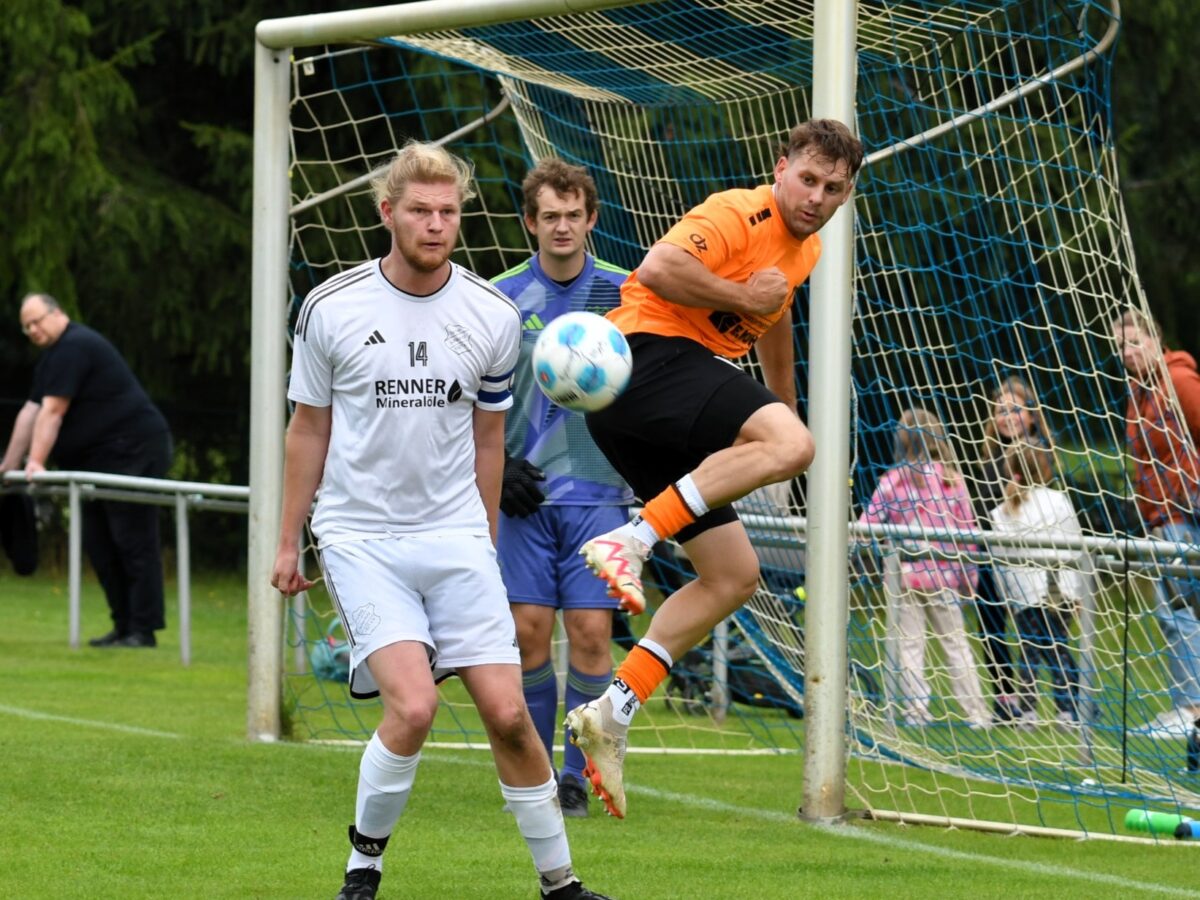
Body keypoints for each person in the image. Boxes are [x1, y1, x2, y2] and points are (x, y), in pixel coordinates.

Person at [269, 142, 610, 900]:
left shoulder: (488, 316)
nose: (434, 224)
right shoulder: (330, 307)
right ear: (388, 212)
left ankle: (561, 885)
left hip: (456, 539)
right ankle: (363, 867)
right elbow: (308, 429)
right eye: (419, 210)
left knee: (509, 715)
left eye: (448, 211)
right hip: (362, 537)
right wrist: (291, 539)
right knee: (416, 706)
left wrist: (484, 543)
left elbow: (490, 438)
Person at [562, 118, 865, 819]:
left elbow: (776, 311)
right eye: (809, 179)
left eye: (834, 189)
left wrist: (784, 412)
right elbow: (661, 268)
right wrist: (741, 301)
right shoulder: (739, 210)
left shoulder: (807, 246)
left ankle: (612, 711)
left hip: (652, 411)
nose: (816, 196)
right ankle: (633, 540)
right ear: (781, 165)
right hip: (644, 359)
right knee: (790, 445)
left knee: (733, 576)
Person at [492, 159, 632, 817]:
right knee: (525, 633)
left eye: (573, 215)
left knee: (590, 633)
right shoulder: (497, 299)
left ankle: (578, 775)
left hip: (599, 494)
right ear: (530, 223)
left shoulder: (625, 295)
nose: (563, 227)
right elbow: (470, 400)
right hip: (521, 494)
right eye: (550, 216)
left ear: (591, 219)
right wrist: (495, 470)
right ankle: (539, 770)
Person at [1, 293, 172, 647]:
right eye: (26, 326)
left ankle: (143, 630)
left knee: (131, 539)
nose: (33, 329)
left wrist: (36, 461)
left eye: (37, 321)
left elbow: (53, 411)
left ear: (57, 312)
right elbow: (31, 412)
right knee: (99, 543)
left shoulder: (74, 346)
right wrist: (9, 465)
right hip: (95, 459)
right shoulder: (52, 359)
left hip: (132, 451)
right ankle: (123, 625)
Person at [858, 408, 990, 729]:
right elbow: (968, 534)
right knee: (955, 644)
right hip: (943, 576)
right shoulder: (951, 480)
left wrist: (876, 547)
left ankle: (917, 711)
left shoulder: (892, 482)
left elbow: (866, 526)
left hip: (906, 575)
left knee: (910, 645)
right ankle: (976, 713)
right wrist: (969, 577)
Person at [1112, 309, 1200, 740]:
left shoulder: (1178, 381)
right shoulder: (1136, 393)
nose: (1127, 353)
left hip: (1185, 515)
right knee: (1174, 613)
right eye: (1120, 347)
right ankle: (1187, 707)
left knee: (1179, 612)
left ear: (1154, 337)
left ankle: (1191, 709)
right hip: (1159, 518)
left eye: (1133, 342)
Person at [971, 377, 1053, 724]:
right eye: (1001, 411)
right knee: (991, 626)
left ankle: (1058, 700)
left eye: (1015, 410)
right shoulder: (986, 459)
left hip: (1029, 559)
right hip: (991, 554)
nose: (1008, 417)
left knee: (1040, 632)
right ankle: (1004, 697)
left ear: (1031, 416)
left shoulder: (1040, 455)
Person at [990, 441, 1086, 727]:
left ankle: (1029, 712)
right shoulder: (1057, 501)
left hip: (1025, 593)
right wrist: (1078, 591)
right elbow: (1075, 546)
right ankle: (1067, 711)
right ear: (1044, 467)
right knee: (1059, 650)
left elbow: (1000, 561)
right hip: (1058, 590)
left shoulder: (1002, 510)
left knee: (1030, 652)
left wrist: (1006, 595)